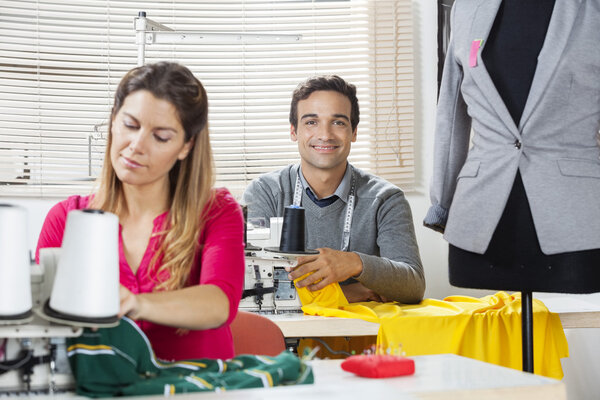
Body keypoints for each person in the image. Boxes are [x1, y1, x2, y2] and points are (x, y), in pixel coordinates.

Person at [36, 62, 245, 361]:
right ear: (112, 121)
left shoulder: (216, 211)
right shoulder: (67, 219)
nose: (136, 146)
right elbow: (44, 317)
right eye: (130, 125)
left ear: (186, 146)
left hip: (194, 387)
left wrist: (136, 303)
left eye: (160, 137)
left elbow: (220, 302)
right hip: (100, 388)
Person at [424, 1, 600, 298]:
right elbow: (451, 116)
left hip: (575, 222)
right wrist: (442, 203)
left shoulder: (591, 10)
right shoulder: (467, 8)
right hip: (479, 218)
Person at [243, 75, 424, 304]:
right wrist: (347, 293)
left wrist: (354, 263)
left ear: (354, 132)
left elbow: (413, 285)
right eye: (311, 122)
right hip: (286, 336)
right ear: (293, 131)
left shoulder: (386, 199)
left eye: (338, 122)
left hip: (363, 336)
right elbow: (253, 287)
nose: (325, 135)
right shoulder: (264, 193)